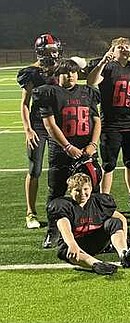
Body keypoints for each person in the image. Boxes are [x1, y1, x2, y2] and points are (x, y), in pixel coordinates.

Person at [36, 59, 102, 248]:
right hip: (62, 151)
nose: (71, 76)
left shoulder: (88, 92)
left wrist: (93, 144)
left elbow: (96, 121)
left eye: (73, 72)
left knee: (92, 190)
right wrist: (67, 146)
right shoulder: (49, 93)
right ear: (58, 76)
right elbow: (50, 124)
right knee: (56, 191)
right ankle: (53, 230)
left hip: (86, 150)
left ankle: (93, 226)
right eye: (66, 73)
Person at [86, 37, 130, 211]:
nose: (125, 49)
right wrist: (102, 62)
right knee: (108, 165)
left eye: (127, 47)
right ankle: (103, 199)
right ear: (113, 51)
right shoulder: (107, 67)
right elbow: (91, 82)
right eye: (120, 47)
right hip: (111, 124)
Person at [49, 173, 130, 275]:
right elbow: (63, 225)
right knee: (66, 251)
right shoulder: (64, 206)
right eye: (77, 190)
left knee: (113, 222)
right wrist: (72, 244)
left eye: (85, 189)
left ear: (91, 189)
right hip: (76, 243)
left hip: (96, 241)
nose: (82, 193)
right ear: (70, 192)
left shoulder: (98, 202)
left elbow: (121, 218)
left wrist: (125, 240)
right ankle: (96, 264)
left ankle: (124, 254)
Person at [19, 33, 61, 229]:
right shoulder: (31, 73)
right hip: (38, 125)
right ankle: (30, 213)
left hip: (58, 125)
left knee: (59, 169)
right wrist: (28, 129)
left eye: (55, 50)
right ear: (40, 52)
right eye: (49, 51)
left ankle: (59, 209)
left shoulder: (60, 69)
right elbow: (25, 104)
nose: (53, 54)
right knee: (34, 169)